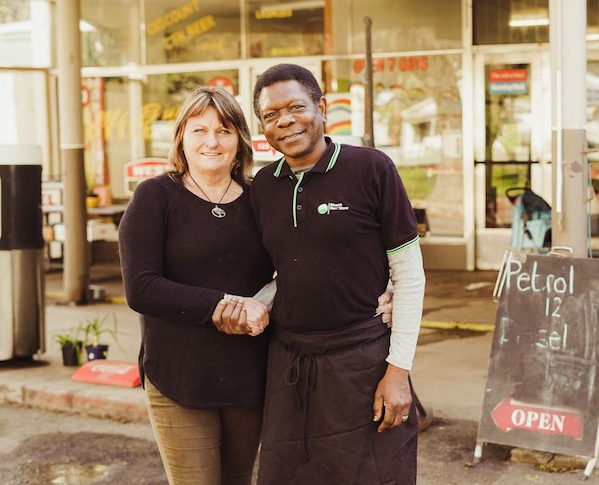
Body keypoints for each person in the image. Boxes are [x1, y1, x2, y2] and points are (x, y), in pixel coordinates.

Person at [118, 85, 395, 485]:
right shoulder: (155, 197)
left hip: (251, 374)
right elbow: (141, 287)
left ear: (240, 140)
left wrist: (386, 286)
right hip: (179, 375)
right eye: (199, 130)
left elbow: (308, 259)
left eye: (224, 131)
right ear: (181, 137)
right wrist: (221, 306)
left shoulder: (260, 195)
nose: (211, 141)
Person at [242, 63, 425, 484]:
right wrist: (255, 304)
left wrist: (398, 371)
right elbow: (281, 273)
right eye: (271, 115)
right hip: (290, 364)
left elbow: (410, 274)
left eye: (296, 107)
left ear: (321, 107)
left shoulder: (371, 169)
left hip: (363, 362)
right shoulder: (264, 187)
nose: (284, 121)